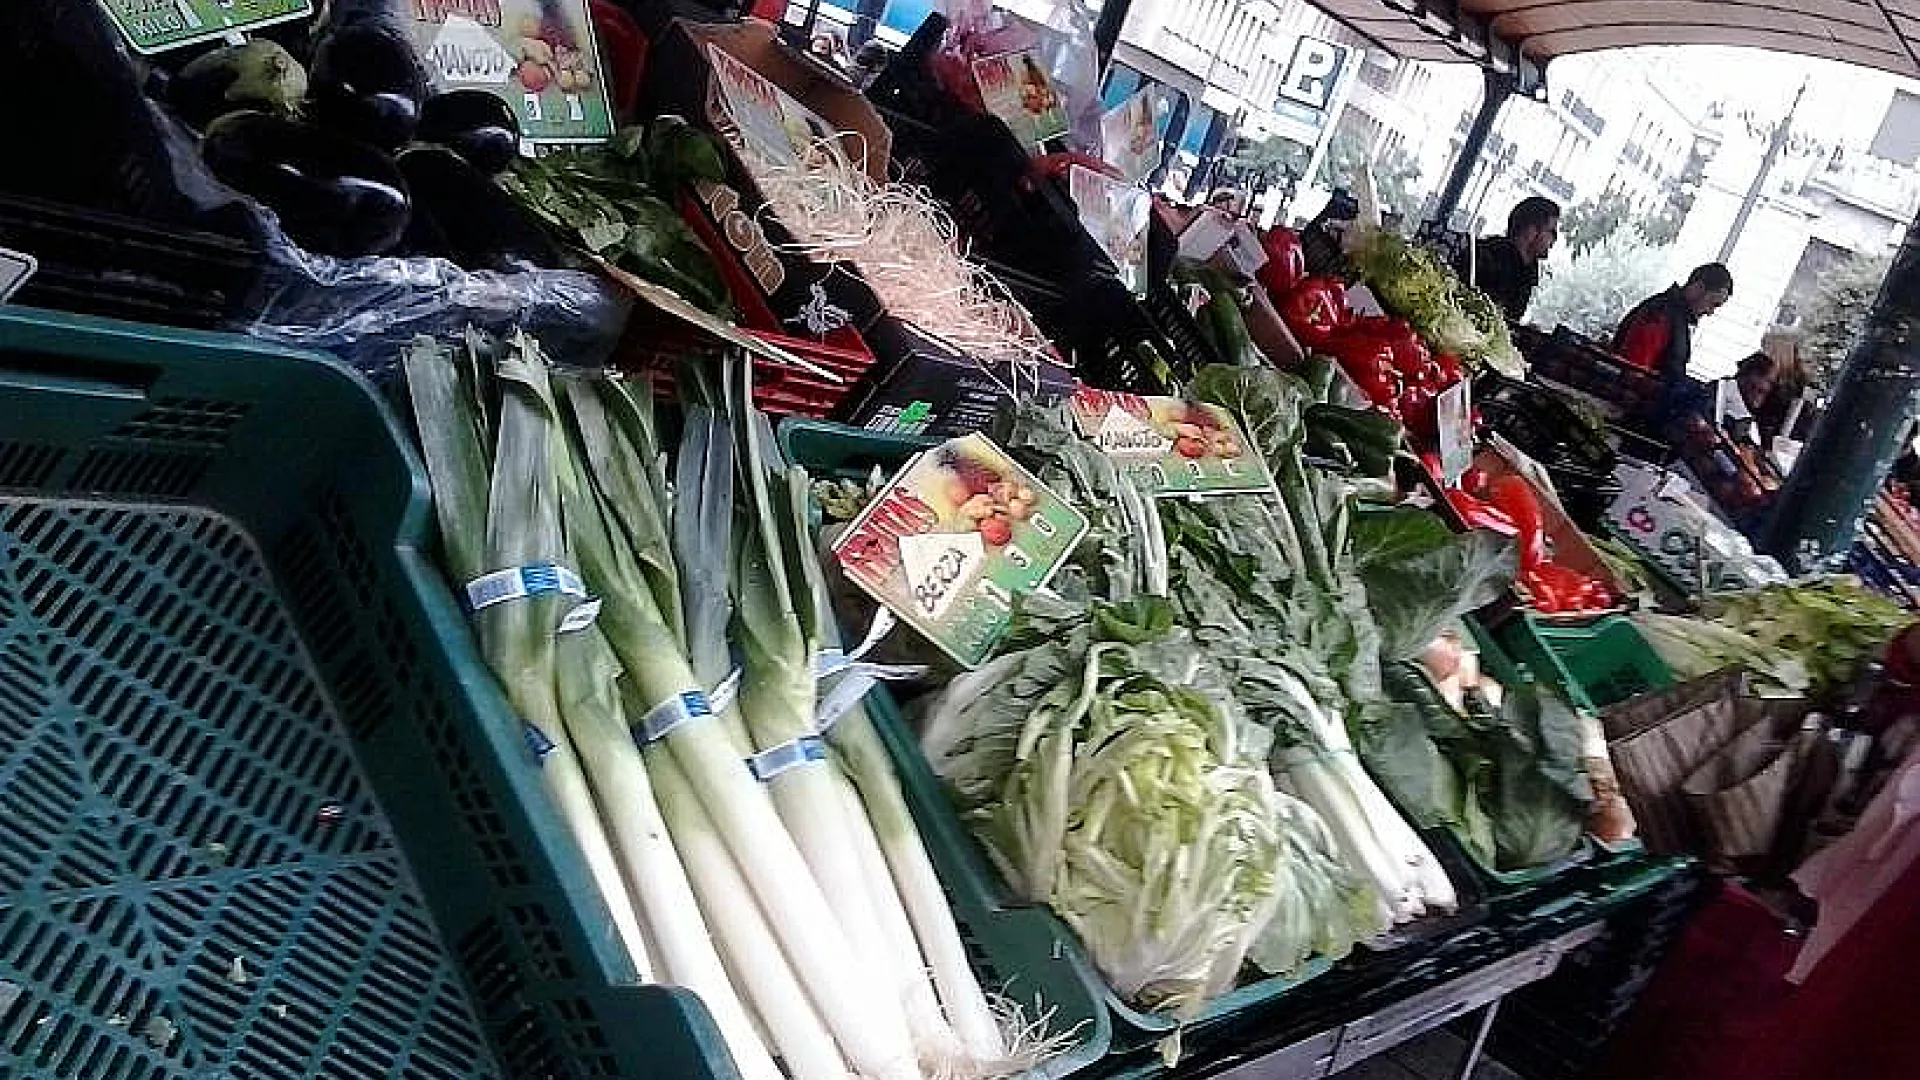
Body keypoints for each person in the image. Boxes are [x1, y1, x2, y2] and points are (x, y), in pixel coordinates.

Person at [1613, 263, 1734, 434]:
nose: (1710, 312)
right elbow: (1633, 370)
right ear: (1698, 288)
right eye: (1713, 304)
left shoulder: (1675, 316)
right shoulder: (1661, 314)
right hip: (1628, 414)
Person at [1453, 196, 1560, 325]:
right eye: (1551, 232)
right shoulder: (1482, 258)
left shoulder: (1527, 274)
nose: (1555, 239)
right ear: (1531, 231)